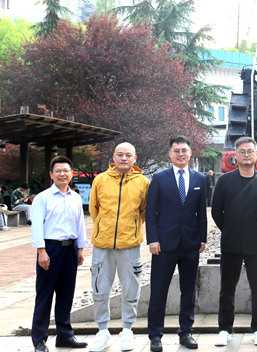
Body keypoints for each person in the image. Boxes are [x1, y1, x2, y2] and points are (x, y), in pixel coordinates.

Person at [146, 136, 207, 351]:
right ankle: (155, 335)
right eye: (177, 150)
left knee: (188, 291)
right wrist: (152, 239)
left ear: (190, 153)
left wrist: (202, 238)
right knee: (158, 291)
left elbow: (201, 212)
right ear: (170, 154)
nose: (181, 154)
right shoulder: (159, 178)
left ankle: (186, 332)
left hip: (190, 244)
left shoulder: (200, 179)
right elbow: (150, 212)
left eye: (184, 150)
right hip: (163, 244)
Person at [87, 142, 150, 352]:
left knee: (131, 288)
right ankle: (102, 331)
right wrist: (104, 230)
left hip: (130, 245)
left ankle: (127, 330)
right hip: (102, 244)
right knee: (100, 288)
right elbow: (94, 209)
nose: (124, 158)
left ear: (134, 158)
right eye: (120, 154)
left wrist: (130, 229)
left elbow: (143, 212)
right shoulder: (100, 180)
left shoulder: (143, 182)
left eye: (128, 155)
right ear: (114, 157)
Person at [211, 137, 257, 347]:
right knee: (227, 288)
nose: (246, 155)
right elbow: (217, 212)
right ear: (235, 155)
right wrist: (230, 229)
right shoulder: (224, 181)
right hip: (231, 243)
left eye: (250, 152)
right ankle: (224, 329)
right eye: (242, 152)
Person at [30, 156, 88, 352]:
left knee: (66, 294)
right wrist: (41, 251)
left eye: (66, 171)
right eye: (58, 171)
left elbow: (80, 223)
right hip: (50, 249)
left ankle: (65, 336)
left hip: (70, 249)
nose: (62, 174)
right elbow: (37, 226)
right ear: (51, 174)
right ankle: (39, 339)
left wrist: (80, 248)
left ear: (72, 174)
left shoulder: (76, 197)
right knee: (45, 295)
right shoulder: (42, 198)